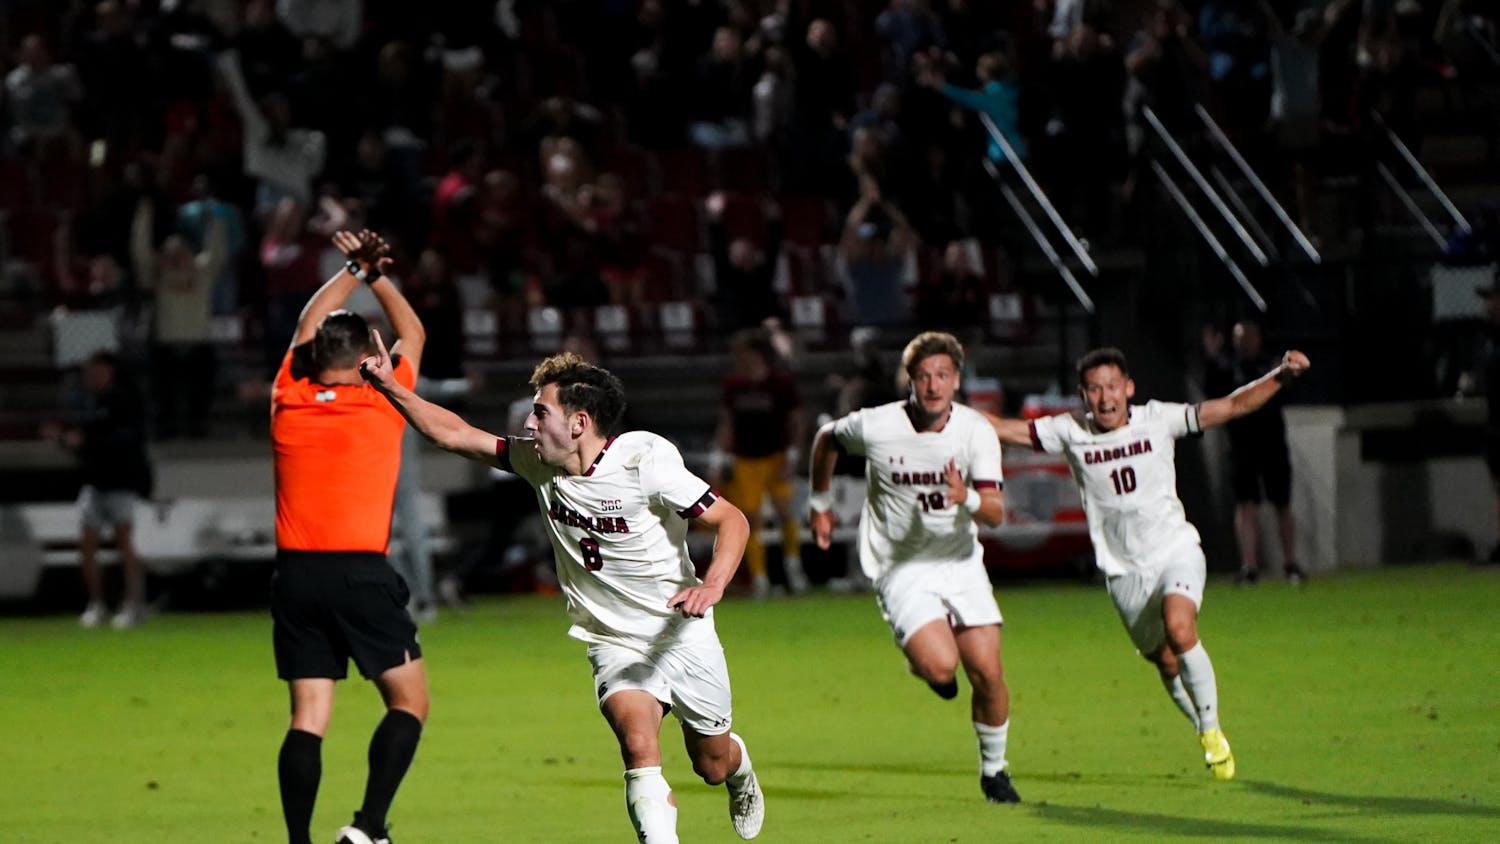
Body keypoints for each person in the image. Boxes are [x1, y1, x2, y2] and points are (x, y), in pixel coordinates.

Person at [360, 347, 766, 843]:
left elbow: (732, 519)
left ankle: (739, 769)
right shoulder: (538, 463)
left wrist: (713, 584)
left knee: (712, 764)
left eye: (539, 411)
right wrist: (391, 388)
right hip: (614, 638)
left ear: (578, 422)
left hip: (680, 632)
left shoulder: (645, 463)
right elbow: (455, 434)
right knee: (638, 746)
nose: (529, 422)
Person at [987, 346, 1312, 781]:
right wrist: (944, 414)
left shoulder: (1158, 418)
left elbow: (1232, 405)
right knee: (1165, 661)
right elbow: (1004, 430)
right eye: (1095, 389)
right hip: (1123, 573)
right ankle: (1201, 724)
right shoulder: (1068, 430)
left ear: (1129, 388)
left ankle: (1212, 731)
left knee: (1181, 629)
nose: (1105, 398)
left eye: (1112, 387)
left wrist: (1281, 376)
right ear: (1082, 395)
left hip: (1174, 549)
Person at [807, 331, 1020, 804]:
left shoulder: (974, 431)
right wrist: (820, 501)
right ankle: (926, 663)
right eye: (923, 376)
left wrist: (967, 497)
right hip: (900, 566)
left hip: (960, 562)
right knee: (943, 666)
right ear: (910, 380)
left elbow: (996, 512)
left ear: (956, 380)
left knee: (987, 672)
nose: (932, 386)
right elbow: (826, 439)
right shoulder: (877, 425)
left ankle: (995, 771)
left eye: (942, 375)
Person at [270, 229, 428, 844]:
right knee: (408, 703)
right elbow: (413, 333)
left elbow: (307, 322)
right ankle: (368, 829)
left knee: (307, 718)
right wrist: (377, 275)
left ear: (311, 358)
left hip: (296, 576)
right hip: (361, 572)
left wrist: (351, 270)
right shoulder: (383, 401)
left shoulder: (288, 396)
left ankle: (299, 843)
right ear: (372, 358)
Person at [48, 351, 153, 628]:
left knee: (125, 543)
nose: (90, 376)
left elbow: (121, 441)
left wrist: (85, 442)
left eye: (96, 370)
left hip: (120, 483)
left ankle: (133, 603)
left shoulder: (124, 399)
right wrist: (68, 442)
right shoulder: (89, 402)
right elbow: (86, 445)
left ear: (108, 371)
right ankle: (97, 604)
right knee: (86, 545)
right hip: (94, 484)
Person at [1202, 320, 1307, 584]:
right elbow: (1213, 395)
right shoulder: (1228, 367)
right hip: (1242, 446)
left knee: (1282, 503)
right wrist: (1212, 358)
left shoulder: (1271, 366)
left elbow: (1288, 396)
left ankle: (1290, 562)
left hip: (1272, 443)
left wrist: (1285, 377)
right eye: (1239, 337)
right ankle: (1249, 566)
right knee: (1245, 504)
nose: (1244, 341)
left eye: (1249, 336)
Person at [713, 328, 809, 599]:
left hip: (775, 456)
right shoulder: (733, 385)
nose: (741, 359)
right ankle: (760, 578)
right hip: (746, 459)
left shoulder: (781, 384)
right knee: (750, 519)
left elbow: (796, 421)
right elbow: (727, 423)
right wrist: (721, 458)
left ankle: (793, 568)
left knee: (784, 513)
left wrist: (791, 456)